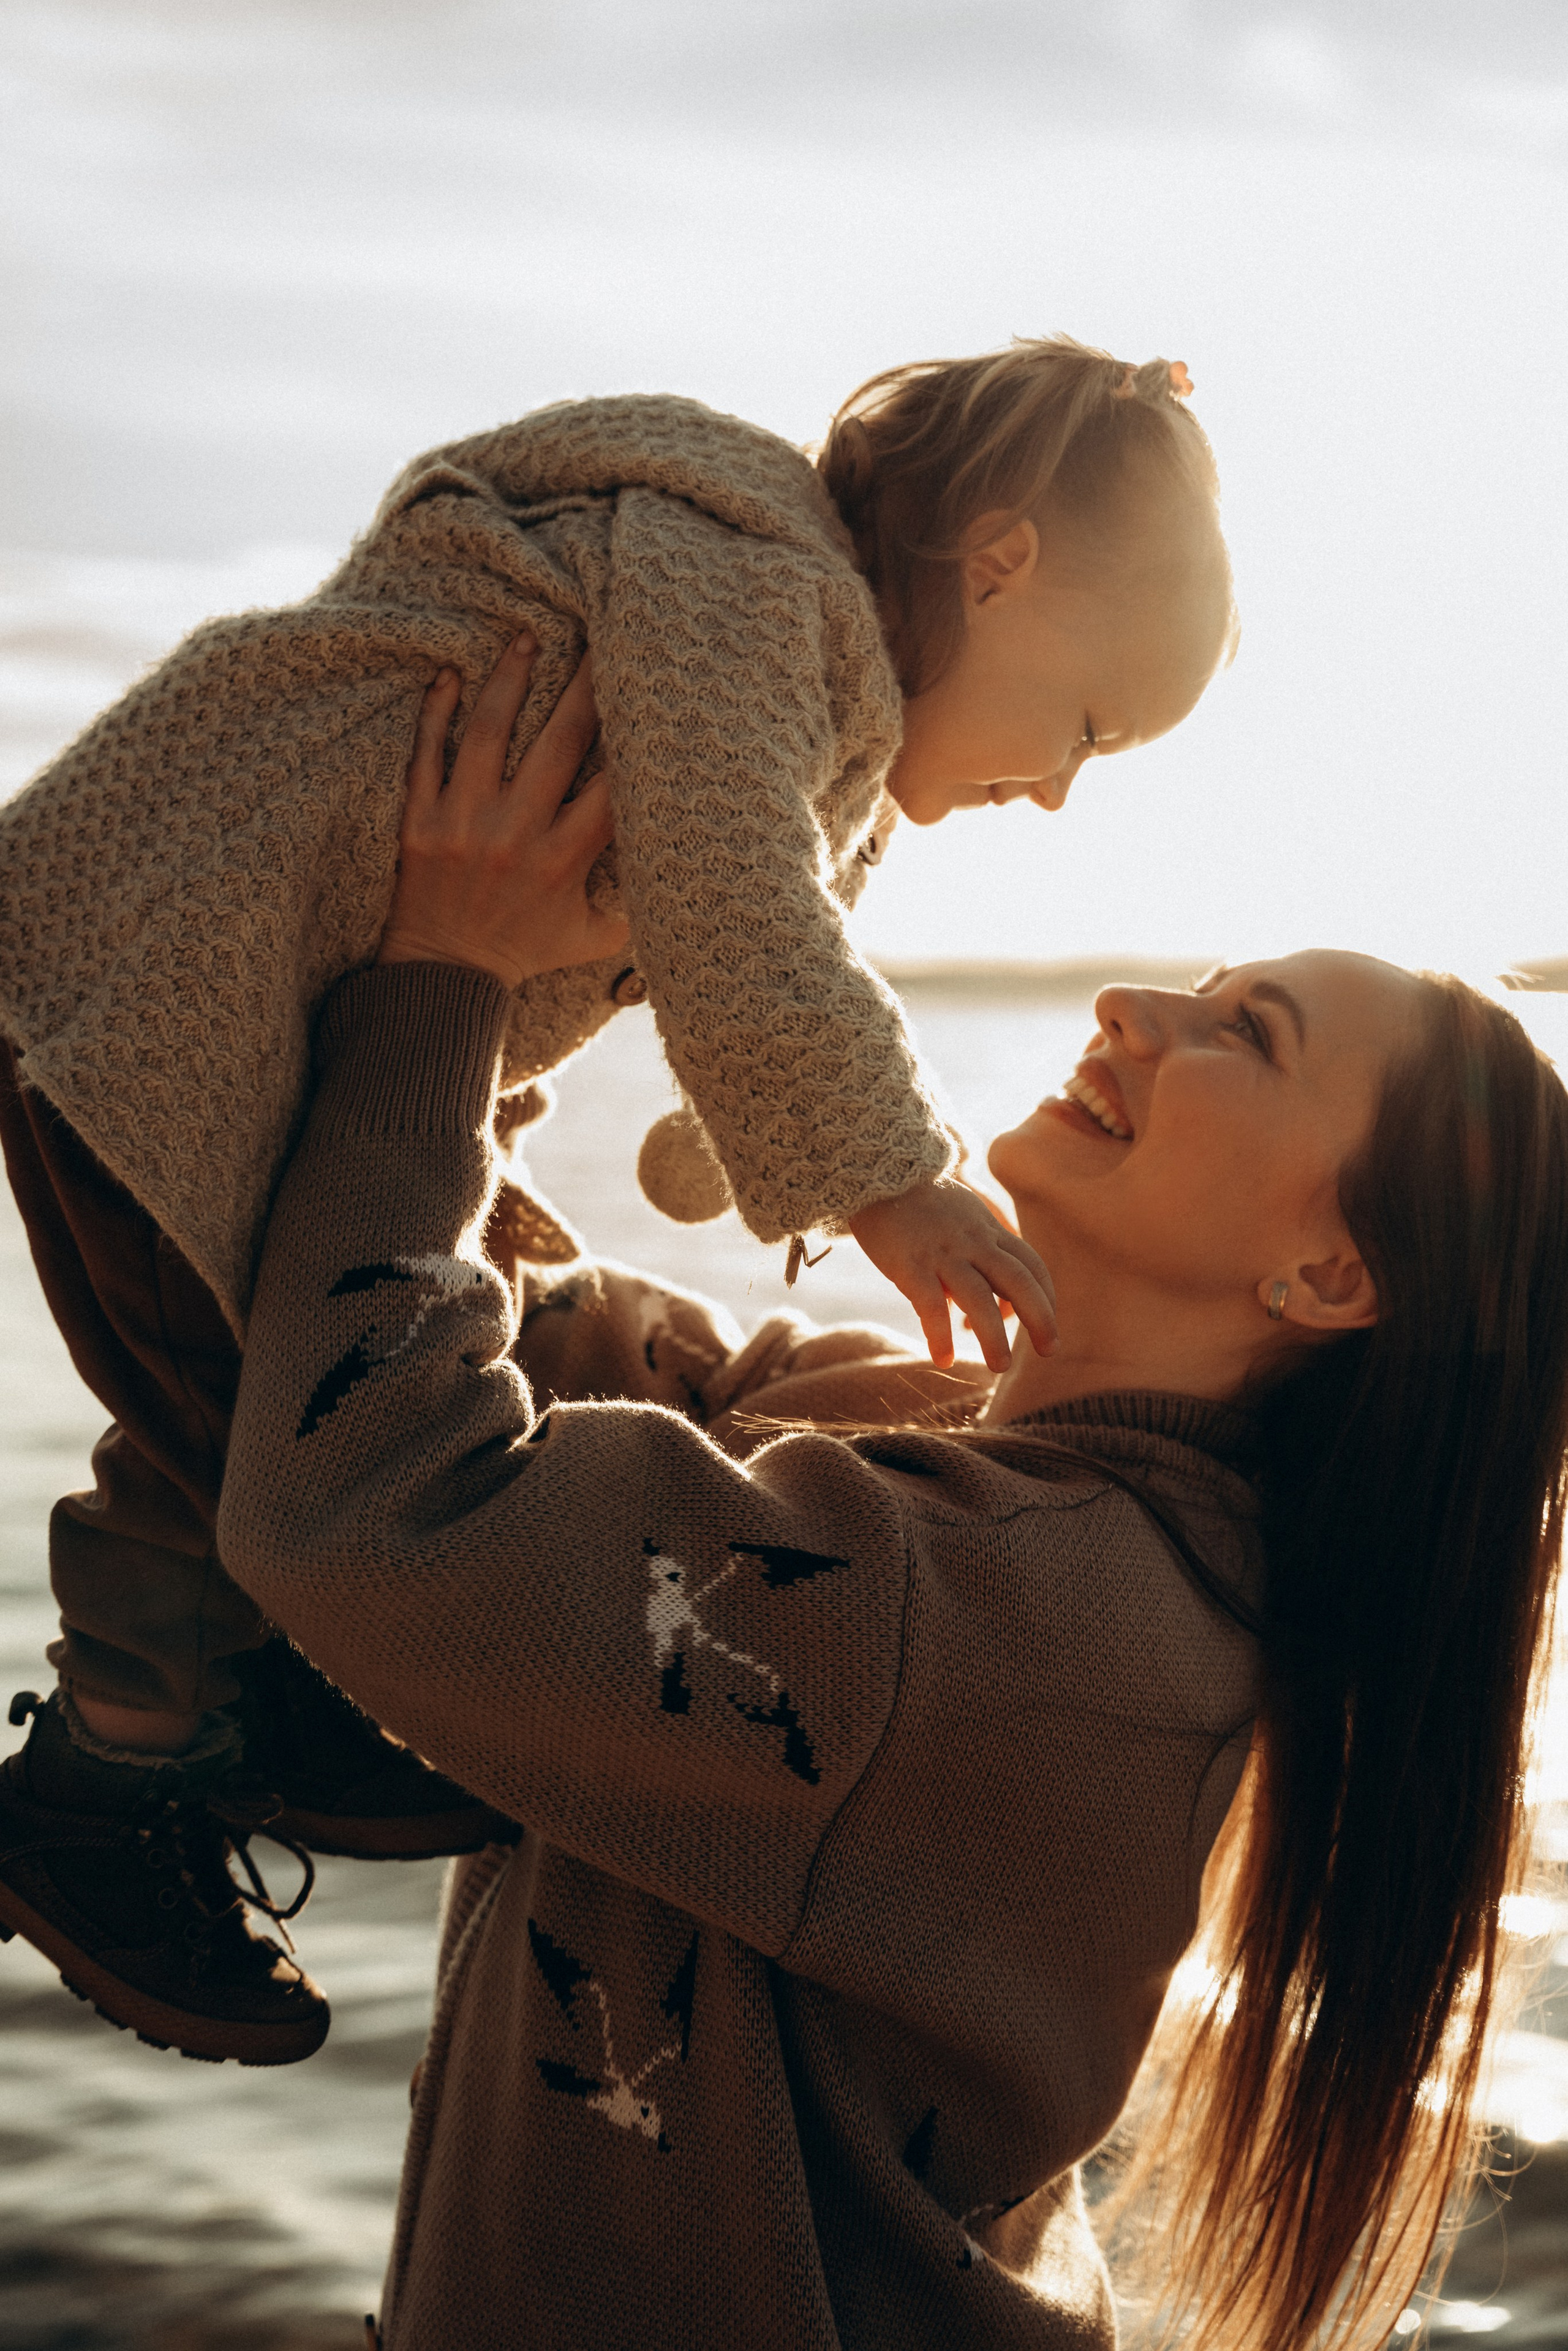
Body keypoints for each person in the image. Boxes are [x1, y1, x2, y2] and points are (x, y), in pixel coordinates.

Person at [213, 650, 1568, 2349]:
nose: (1133, 1009)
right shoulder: (974, 1477)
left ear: (1329, 1269)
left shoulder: (998, 1615)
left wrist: (446, 974)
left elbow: (367, 1496)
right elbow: (623, 1361)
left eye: (1248, 1035)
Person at [0, 336, 1234, 2061]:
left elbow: (752, 920)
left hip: (254, 1029)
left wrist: (719, 1145)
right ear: (1002, 564)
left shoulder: (791, 683)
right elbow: (735, 900)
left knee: (291, 1363)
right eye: (1088, 724)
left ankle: (267, 1687)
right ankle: (104, 1783)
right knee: (246, 1408)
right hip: (165, 1004)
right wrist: (900, 1181)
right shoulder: (764, 596)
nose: (1057, 785)